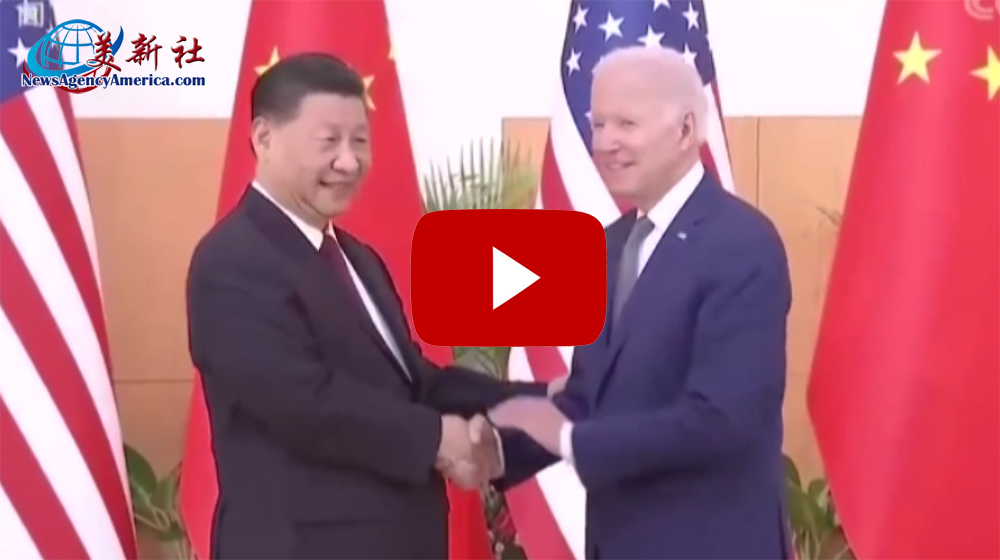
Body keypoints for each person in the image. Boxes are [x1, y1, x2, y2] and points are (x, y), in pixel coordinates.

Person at [185, 53, 538, 560]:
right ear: (264, 137)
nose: (349, 161)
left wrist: (537, 402)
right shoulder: (233, 260)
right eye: (328, 141)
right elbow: (302, 404)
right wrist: (438, 438)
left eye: (360, 141)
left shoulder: (358, 258)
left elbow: (414, 382)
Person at [483, 45, 794, 559]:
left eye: (626, 124)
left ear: (686, 129)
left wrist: (573, 442)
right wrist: (495, 449)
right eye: (598, 124)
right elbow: (590, 395)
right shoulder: (606, 247)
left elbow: (721, 418)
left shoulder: (742, 243)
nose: (605, 143)